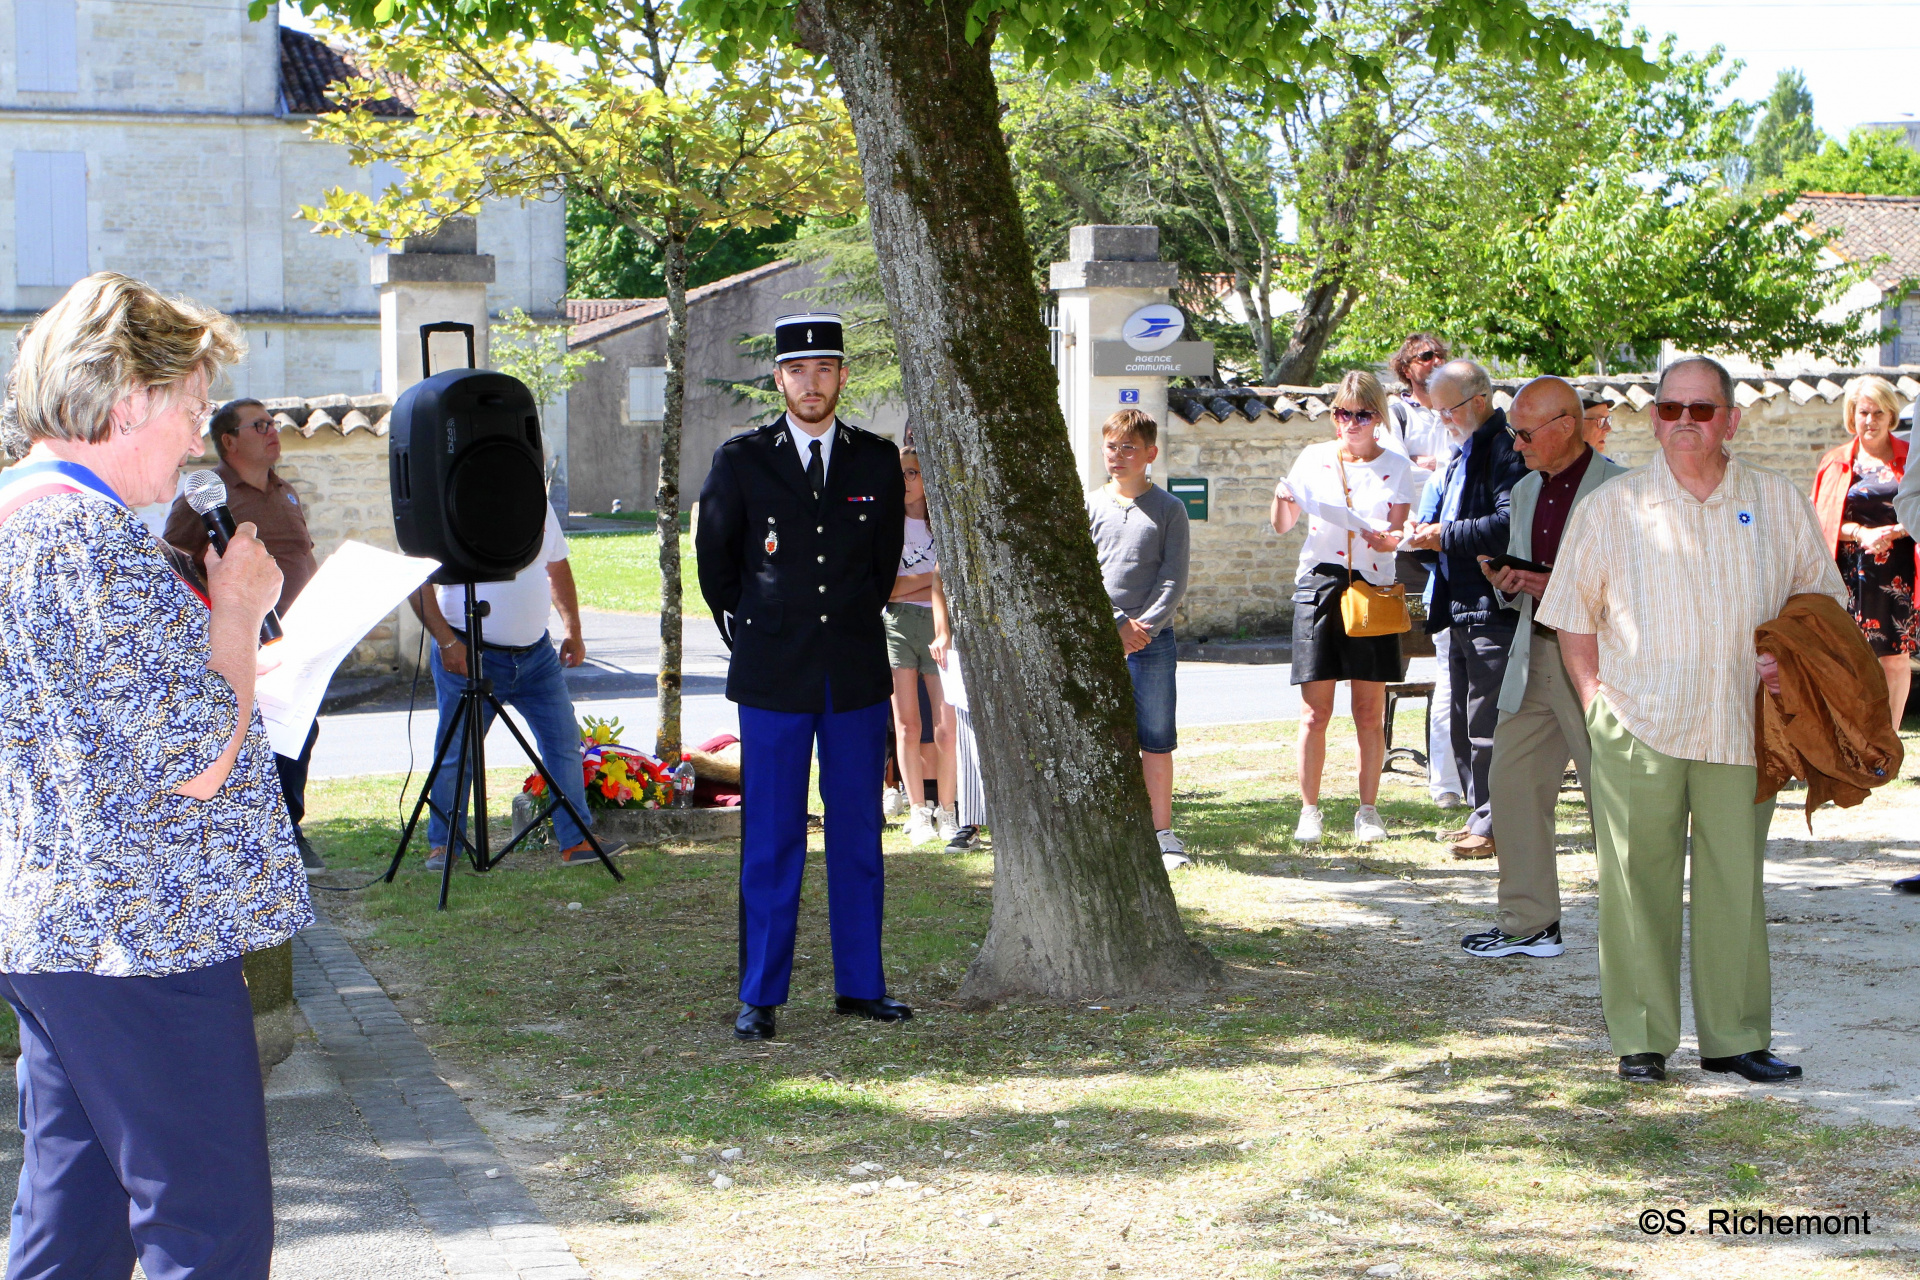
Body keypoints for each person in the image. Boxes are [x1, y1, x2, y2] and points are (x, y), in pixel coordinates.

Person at [0, 272, 311, 1275]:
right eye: (188, 410)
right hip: (143, 937)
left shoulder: (18, 517)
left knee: (71, 1228)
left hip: (60, 929)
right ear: (128, 395)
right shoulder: (87, 540)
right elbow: (193, 763)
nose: (194, 438)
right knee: (207, 1227)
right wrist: (236, 610)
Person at [1538, 355, 1845, 1085]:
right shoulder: (1613, 506)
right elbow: (1572, 616)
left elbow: (1821, 608)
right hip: (1637, 723)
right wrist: (1594, 701)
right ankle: (1641, 1041)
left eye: (1700, 410)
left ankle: (1735, 1038)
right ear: (1654, 418)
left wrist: (1791, 660)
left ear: (1730, 420)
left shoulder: (1775, 501)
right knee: (1634, 882)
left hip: (1745, 725)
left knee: (1734, 882)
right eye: (1669, 408)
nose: (1683, 422)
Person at [695, 312, 910, 1042]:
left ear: (842, 376)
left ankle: (861, 985)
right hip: (772, 675)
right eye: (798, 371)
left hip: (851, 672)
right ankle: (760, 994)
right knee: (772, 836)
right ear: (779, 379)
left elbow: (880, 569)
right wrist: (769, 626)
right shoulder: (742, 459)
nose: (811, 383)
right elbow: (717, 567)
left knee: (858, 833)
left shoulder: (876, 460)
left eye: (825, 369)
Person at [1462, 377, 1627, 960]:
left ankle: (1632, 929)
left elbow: (1634, 593)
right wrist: (1509, 583)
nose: (1515, 445)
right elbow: (1532, 580)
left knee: (1614, 799)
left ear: (1566, 426)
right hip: (1532, 654)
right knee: (1510, 787)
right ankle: (1528, 924)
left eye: (1525, 433)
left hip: (1599, 665)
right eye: (1512, 432)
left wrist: (1549, 581)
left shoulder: (1624, 490)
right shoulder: (1528, 489)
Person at [164, 396, 324, 868]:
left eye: (273, 423)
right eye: (259, 425)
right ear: (229, 440)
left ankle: (288, 827)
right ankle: (273, 834)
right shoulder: (205, 495)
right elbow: (173, 566)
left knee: (303, 730)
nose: (273, 431)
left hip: (298, 637)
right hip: (246, 643)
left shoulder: (286, 491)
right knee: (262, 737)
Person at [1272, 371, 1421, 845]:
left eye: (1361, 414)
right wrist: (1282, 499)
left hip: (1372, 587)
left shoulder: (1396, 465)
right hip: (1319, 583)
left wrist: (1383, 537)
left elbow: (1398, 534)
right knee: (1315, 711)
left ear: (1378, 417)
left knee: (1368, 709)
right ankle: (1309, 810)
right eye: (1342, 413)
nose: (1350, 423)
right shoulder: (1314, 457)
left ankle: (1368, 809)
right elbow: (1283, 525)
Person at [409, 500, 596, 871]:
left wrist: (572, 628)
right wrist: (447, 641)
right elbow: (418, 580)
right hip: (468, 650)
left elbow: (555, 566)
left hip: (536, 654)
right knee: (457, 753)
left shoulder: (536, 503)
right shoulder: (449, 501)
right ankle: (445, 844)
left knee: (563, 744)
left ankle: (577, 841)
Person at [1404, 359, 1528, 857]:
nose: (1442, 422)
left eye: (1447, 411)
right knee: (1463, 717)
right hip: (1457, 603)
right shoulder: (1464, 451)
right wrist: (1419, 537)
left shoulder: (1505, 448)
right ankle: (1481, 815)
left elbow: (1506, 525)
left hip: (1491, 603)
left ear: (1478, 400)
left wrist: (1442, 536)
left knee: (1488, 721)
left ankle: (1493, 825)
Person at [1087, 408, 1193, 868]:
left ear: (1150, 453)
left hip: (1153, 641)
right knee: (1101, 736)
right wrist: (1115, 624)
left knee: (1155, 737)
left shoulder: (1170, 510)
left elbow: (1173, 578)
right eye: (1112, 446)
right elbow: (1082, 574)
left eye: (1129, 447)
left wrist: (1141, 629)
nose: (1118, 455)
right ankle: (1105, 831)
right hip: (1098, 640)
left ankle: (1162, 833)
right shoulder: (1089, 505)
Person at [1812, 375, 1911, 737]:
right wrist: (1861, 532)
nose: (1869, 421)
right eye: (1863, 412)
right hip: (1850, 571)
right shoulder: (1835, 461)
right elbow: (1818, 519)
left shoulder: (1912, 457)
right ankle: (1852, 739)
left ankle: (1887, 741)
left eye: (1878, 413)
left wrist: (1896, 531)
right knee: (1849, 658)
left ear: (1891, 415)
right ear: (1852, 415)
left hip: (1902, 571)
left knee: (1896, 660)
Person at [885, 442, 958, 847]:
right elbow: (888, 588)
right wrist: (933, 579)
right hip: (896, 625)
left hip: (938, 626)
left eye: (913, 473)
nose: (906, 482)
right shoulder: (888, 524)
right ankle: (918, 811)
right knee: (908, 725)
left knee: (945, 727)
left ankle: (947, 810)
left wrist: (933, 583)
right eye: (900, 475)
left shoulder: (941, 526)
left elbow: (952, 582)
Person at [1385, 332, 1452, 473]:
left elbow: (1470, 459)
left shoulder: (1458, 410)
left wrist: (1436, 463)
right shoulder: (1396, 416)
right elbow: (1397, 469)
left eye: (1440, 355)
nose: (1437, 362)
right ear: (1406, 370)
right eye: (1426, 357)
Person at [1580, 392, 1615, 457]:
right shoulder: (1557, 464)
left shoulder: (1606, 466)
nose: (1608, 429)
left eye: (1608, 420)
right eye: (1601, 421)